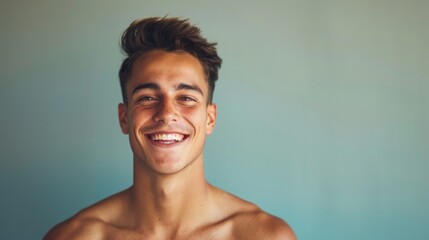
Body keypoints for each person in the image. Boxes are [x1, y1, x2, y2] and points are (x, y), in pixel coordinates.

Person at [44, 17, 296, 240]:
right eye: (147, 98)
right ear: (124, 118)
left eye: (186, 98)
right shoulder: (74, 236)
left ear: (210, 118)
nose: (166, 114)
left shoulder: (264, 236)